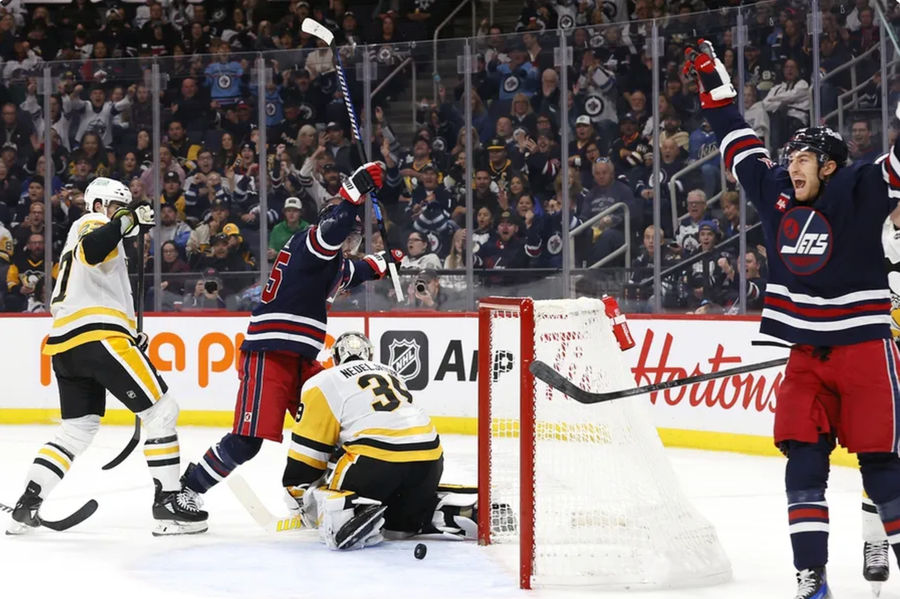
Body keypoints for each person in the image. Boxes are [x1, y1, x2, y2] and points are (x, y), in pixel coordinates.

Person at [684, 40, 900, 598]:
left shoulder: (859, 186)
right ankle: (812, 577)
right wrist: (713, 84)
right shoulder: (776, 190)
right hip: (807, 356)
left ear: (829, 166)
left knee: (881, 465)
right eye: (790, 158)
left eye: (803, 158)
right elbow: (738, 140)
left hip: (866, 352)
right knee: (802, 461)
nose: (791, 165)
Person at [178, 162, 402, 519]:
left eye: (356, 238)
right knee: (247, 440)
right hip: (269, 354)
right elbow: (332, 232)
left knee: (334, 423)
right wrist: (352, 195)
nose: (351, 241)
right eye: (351, 234)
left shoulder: (331, 261)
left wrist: (385, 261)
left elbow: (355, 271)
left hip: (299, 359)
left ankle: (323, 494)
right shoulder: (310, 242)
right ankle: (187, 488)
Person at [6, 177, 207, 536]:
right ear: (99, 204)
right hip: (98, 336)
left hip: (68, 345)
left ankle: (28, 502)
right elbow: (92, 249)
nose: (120, 215)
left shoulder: (97, 231)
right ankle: (169, 503)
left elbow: (94, 278)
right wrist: (122, 221)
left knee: (77, 430)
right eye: (117, 207)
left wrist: (130, 331)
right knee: (161, 411)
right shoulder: (92, 222)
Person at [283, 331, 459, 551]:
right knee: (398, 531)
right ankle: (436, 509)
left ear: (336, 357)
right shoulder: (392, 372)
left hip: (374, 463)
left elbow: (308, 451)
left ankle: (349, 514)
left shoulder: (323, 380)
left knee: (333, 486)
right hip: (430, 459)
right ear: (370, 355)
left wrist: (297, 492)